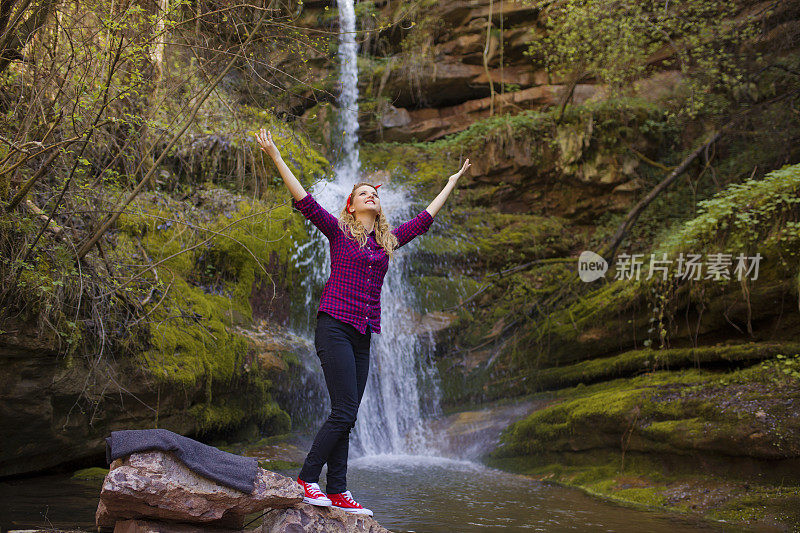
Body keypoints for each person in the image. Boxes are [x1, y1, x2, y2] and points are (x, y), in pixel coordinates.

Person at [255, 128, 470, 516]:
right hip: (333, 325)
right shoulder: (338, 232)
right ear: (351, 207)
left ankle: (337, 489)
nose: (372, 195)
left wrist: (451, 183)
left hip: (363, 334)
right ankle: (307, 479)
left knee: (348, 413)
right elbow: (304, 200)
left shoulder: (386, 243)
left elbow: (423, 221)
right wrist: (274, 155)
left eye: (375, 193)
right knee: (343, 412)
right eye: (364, 193)